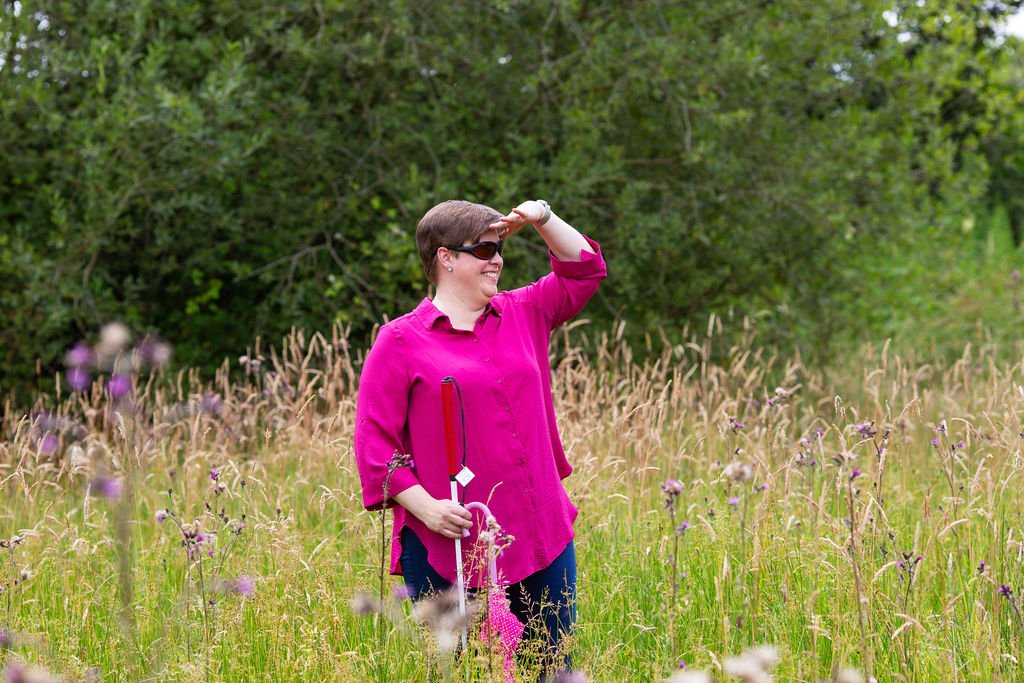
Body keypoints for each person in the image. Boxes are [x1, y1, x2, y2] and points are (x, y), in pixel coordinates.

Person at [354, 198, 606, 676]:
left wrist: (543, 218)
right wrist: (427, 507)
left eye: (501, 246)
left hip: (539, 532)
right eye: (485, 248)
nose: (498, 259)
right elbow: (374, 446)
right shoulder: (400, 341)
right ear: (445, 258)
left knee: (552, 670)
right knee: (465, 673)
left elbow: (585, 270)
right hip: (448, 542)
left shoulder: (525, 311)